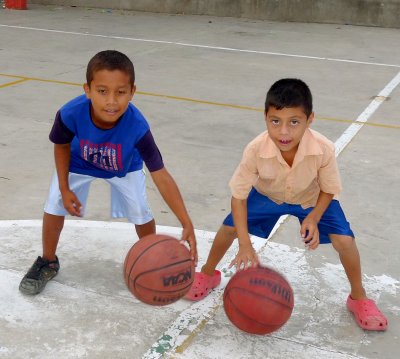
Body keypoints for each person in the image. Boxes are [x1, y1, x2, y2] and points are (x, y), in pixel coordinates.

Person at [185, 78, 387, 331]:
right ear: (266, 117)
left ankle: (359, 298)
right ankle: (207, 273)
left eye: (294, 122)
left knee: (345, 241)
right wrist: (245, 244)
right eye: (275, 121)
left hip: (310, 198)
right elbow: (238, 196)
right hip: (268, 195)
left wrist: (313, 218)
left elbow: (329, 189)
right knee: (228, 229)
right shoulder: (255, 149)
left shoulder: (323, 148)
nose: (284, 132)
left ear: (309, 119)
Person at [19, 50, 197, 295]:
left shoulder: (137, 126)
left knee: (141, 212)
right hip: (79, 162)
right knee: (54, 204)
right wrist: (64, 187)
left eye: (121, 92)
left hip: (123, 167)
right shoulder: (70, 113)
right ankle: (47, 261)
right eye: (102, 91)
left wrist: (185, 221)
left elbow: (160, 174)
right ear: (88, 89)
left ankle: (149, 260)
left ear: (132, 92)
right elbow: (60, 146)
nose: (111, 101)